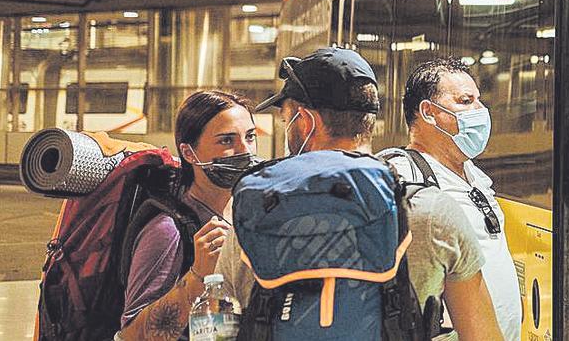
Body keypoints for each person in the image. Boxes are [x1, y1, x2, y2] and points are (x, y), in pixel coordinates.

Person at [215, 47, 502, 340]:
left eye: (285, 119)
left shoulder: (257, 209)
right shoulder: (431, 210)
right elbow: (483, 335)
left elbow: (219, 326)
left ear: (304, 120)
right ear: (367, 119)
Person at [397, 57, 522, 341]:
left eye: (479, 100)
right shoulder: (407, 178)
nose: (480, 110)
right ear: (428, 112)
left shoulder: (473, 173)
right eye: (466, 101)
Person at [117, 90, 257, 340]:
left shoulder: (245, 210)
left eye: (250, 137)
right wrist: (198, 275)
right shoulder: (167, 230)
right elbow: (132, 335)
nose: (243, 151)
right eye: (226, 141)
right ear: (189, 153)